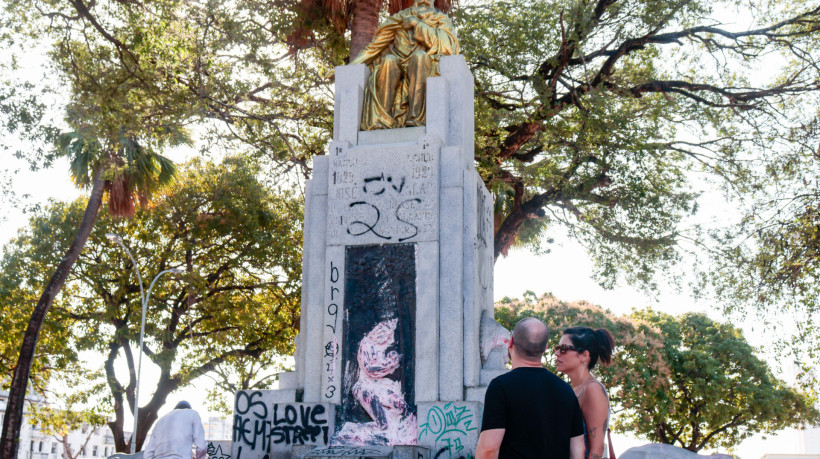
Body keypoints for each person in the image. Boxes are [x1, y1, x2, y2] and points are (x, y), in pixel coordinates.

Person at [476, 318, 585, 459]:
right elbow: (578, 451)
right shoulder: (566, 391)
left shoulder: (500, 387)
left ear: (510, 342)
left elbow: (489, 449)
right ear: (545, 349)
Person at [348, 0, 459, 130]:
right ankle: (382, 119)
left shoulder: (441, 19)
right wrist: (350, 67)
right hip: (398, 61)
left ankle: (415, 118)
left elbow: (448, 47)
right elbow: (374, 47)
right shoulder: (400, 17)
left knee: (420, 57)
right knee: (388, 60)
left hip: (424, 64)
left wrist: (417, 24)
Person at [554, 327, 615, 459]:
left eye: (563, 348)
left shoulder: (592, 389)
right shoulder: (572, 390)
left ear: (584, 355)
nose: (557, 353)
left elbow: (597, 450)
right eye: (557, 348)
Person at [142, 401, 206, 459]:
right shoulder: (192, 414)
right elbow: (201, 446)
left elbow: (147, 453)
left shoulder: (160, 421)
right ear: (188, 409)